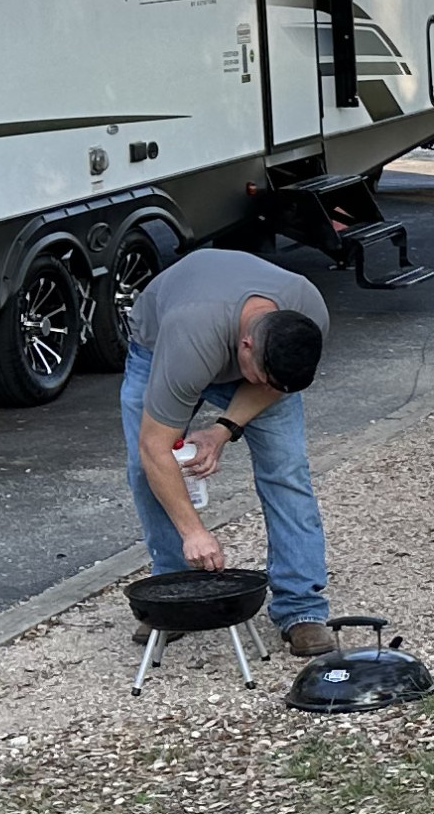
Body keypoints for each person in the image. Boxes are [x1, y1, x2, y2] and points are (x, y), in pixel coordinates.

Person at [120, 245, 336, 655]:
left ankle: (302, 610)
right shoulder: (189, 338)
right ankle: (172, 592)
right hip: (160, 347)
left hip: (235, 346)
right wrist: (194, 533)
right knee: (145, 467)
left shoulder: (305, 315)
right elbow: (155, 447)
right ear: (247, 345)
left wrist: (223, 431)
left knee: (287, 471)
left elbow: (274, 385)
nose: (265, 387)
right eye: (261, 377)